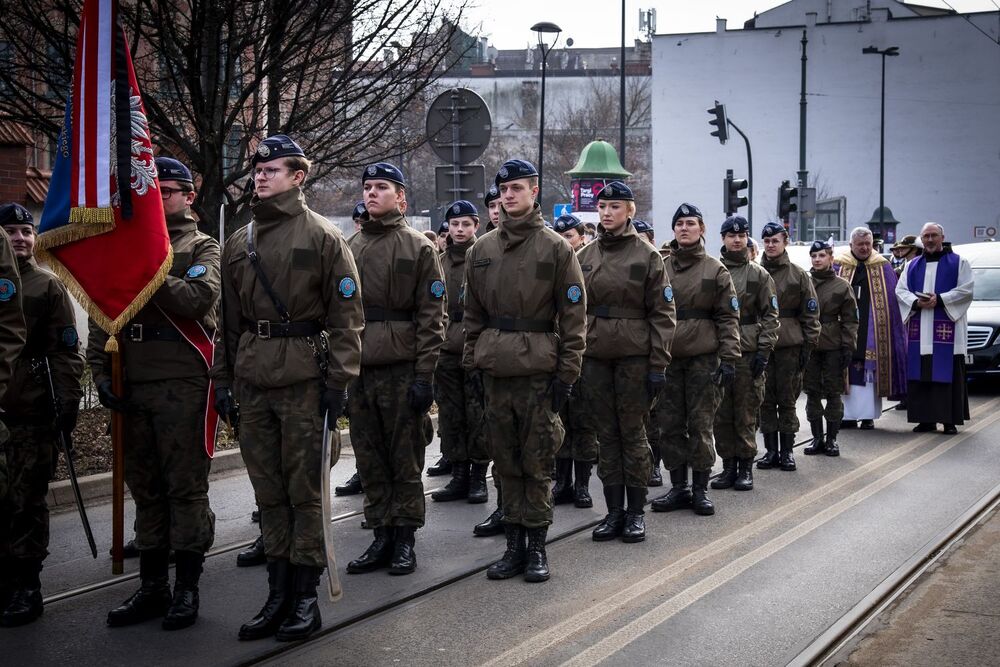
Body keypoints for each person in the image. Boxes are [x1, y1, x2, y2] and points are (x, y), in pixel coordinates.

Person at [213, 136, 363, 641]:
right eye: (258, 168)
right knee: (268, 492)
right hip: (254, 379)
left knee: (305, 494)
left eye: (273, 169)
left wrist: (339, 383)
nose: (260, 176)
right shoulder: (240, 240)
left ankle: (304, 597)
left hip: (303, 380)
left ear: (298, 176)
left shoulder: (323, 237)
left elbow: (347, 319)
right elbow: (228, 324)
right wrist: (224, 382)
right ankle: (276, 593)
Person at [88, 158, 219, 631]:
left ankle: (186, 587)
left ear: (188, 196)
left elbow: (198, 302)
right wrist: (101, 372)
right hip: (132, 380)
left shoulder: (200, 245)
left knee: (183, 487)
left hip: (181, 381)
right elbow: (102, 308)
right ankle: (151, 586)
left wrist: (151, 268)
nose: (159, 198)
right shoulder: (125, 242)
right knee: (145, 489)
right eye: (153, 191)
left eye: (168, 191)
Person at [463, 159, 586, 582]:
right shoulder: (482, 249)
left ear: (534, 191)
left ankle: (536, 548)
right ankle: (512, 545)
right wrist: (472, 366)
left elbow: (573, 317)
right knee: (505, 460)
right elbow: (472, 315)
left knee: (536, 462)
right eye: (504, 190)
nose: (508, 196)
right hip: (495, 369)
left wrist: (567, 375)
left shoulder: (555, 248)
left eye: (517, 188)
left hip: (538, 371)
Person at [345, 162, 445, 577]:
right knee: (369, 457)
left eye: (381, 187)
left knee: (404, 458)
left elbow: (431, 316)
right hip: (361, 370)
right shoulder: (349, 247)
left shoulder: (418, 247)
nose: (372, 194)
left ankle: (404, 538)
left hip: (402, 369)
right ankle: (380, 533)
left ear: (400, 197)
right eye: (367, 187)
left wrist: (425, 376)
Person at [577, 182, 674, 542]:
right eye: (602, 207)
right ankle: (613, 511)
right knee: (606, 435)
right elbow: (572, 310)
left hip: (634, 357)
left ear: (630, 211)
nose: (607, 213)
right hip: (595, 356)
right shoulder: (585, 255)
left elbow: (663, 313)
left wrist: (657, 365)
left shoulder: (646, 255)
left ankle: (636, 512)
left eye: (615, 207)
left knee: (632, 434)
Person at [0, 204, 72, 627]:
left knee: (26, 500)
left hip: (30, 410)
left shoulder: (47, 286)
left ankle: (28, 585)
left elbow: (64, 350)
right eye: (11, 231)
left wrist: (65, 404)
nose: (21, 238)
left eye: (27, 231)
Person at [651, 203, 739, 516]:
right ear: (673, 230)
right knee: (670, 425)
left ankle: (700, 489)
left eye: (691, 223)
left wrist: (729, 358)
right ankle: (678, 487)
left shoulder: (716, 270)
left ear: (701, 229)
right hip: (669, 359)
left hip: (704, 360)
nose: (685, 228)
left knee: (701, 425)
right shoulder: (661, 267)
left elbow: (728, 316)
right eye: (679, 224)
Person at [711, 215, 779, 492]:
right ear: (723, 238)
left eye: (741, 235)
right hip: (718, 353)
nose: (737, 240)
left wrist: (764, 350)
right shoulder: (714, 271)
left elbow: (771, 314)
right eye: (731, 235)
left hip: (748, 352)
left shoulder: (759, 274)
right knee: (721, 413)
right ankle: (727, 466)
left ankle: (745, 467)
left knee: (746, 412)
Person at [431, 200, 488, 505]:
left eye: (466, 224)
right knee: (451, 415)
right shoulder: (438, 261)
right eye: (455, 225)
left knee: (477, 413)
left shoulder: (484, 257)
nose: (460, 230)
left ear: (476, 226)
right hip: (445, 346)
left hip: (476, 344)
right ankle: (459, 474)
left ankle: (479, 475)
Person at [896, 223, 973, 434]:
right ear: (921, 239)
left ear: (942, 237)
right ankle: (926, 419)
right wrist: (915, 302)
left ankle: (949, 421)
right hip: (919, 331)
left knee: (946, 371)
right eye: (926, 236)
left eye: (934, 236)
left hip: (949, 331)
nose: (930, 240)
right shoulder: (912, 265)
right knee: (921, 374)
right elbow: (900, 290)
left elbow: (966, 291)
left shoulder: (959, 262)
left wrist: (940, 300)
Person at [758, 222, 821, 471]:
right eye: (767, 241)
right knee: (764, 401)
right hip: (761, 345)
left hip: (789, 347)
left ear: (785, 241)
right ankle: (770, 451)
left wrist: (808, 345)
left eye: (775, 240)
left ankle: (786, 452)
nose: (771, 245)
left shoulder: (799, 275)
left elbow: (810, 314)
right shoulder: (755, 271)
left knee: (786, 400)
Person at [835, 227, 907, 430]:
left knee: (869, 371)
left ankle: (867, 416)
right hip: (846, 326)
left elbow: (892, 302)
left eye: (868, 244)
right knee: (846, 367)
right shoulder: (839, 265)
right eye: (860, 244)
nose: (865, 248)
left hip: (872, 328)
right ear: (851, 245)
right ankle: (847, 416)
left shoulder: (882, 266)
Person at [550, 212, 598, 508]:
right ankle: (563, 481)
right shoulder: (552, 264)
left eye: (569, 236)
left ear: (581, 237)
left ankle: (582, 484)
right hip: (557, 351)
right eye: (561, 235)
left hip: (587, 351)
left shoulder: (591, 264)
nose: (565, 241)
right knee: (561, 418)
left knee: (584, 421)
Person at [803, 240, 859, 456]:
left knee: (834, 393)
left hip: (834, 346)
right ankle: (817, 438)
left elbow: (851, 319)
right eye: (814, 256)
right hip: (810, 345)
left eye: (822, 256)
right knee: (812, 392)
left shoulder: (842, 286)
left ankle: (832, 439)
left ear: (831, 259)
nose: (817, 260)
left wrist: (848, 345)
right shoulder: (804, 282)